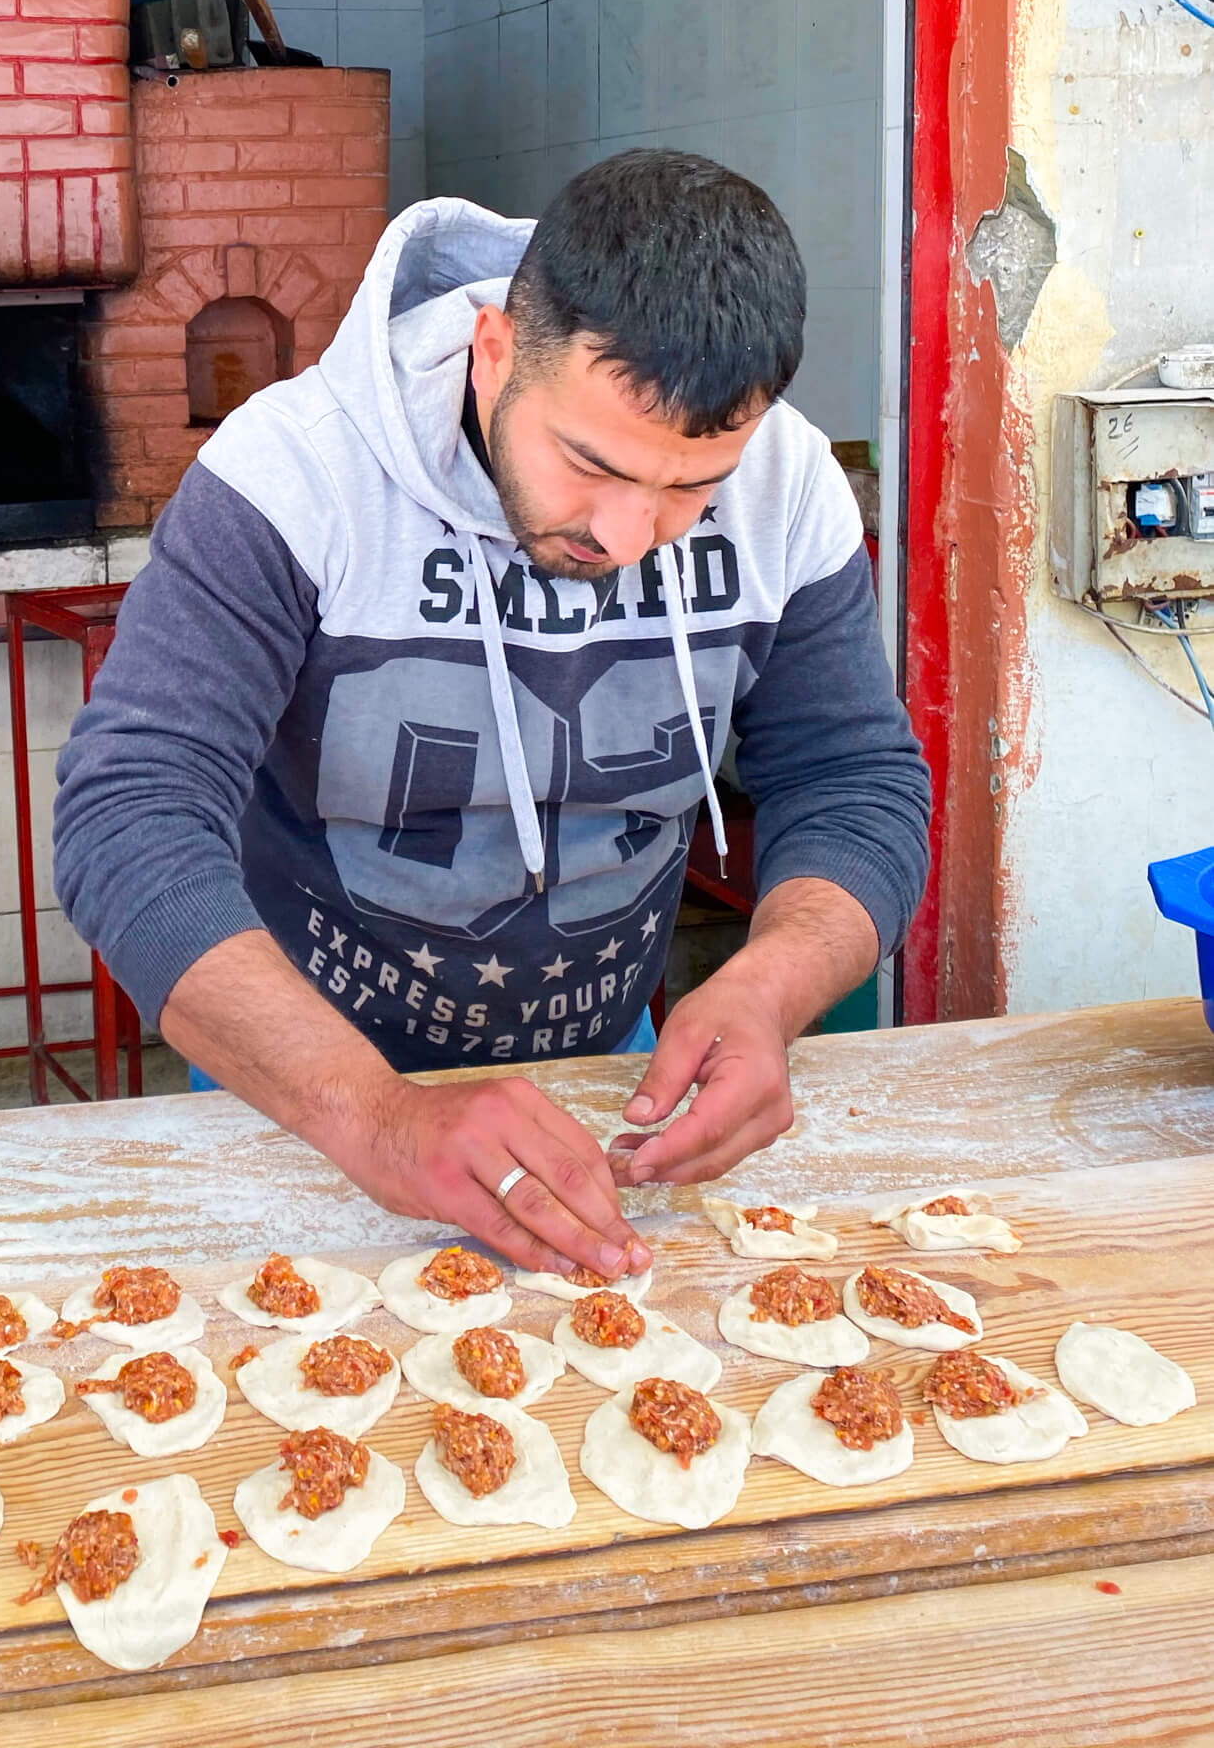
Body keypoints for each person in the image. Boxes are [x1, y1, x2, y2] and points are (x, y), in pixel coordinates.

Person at [52, 152, 931, 1279]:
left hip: (610, 1085)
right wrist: (375, 1115)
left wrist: (772, 986)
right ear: (493, 349)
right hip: (296, 1097)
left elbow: (854, 778)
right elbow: (129, 817)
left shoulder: (790, 485)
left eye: (687, 488)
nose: (624, 536)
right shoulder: (293, 473)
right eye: (587, 463)